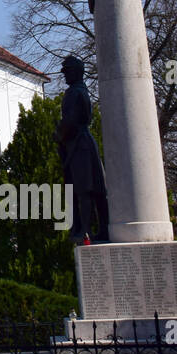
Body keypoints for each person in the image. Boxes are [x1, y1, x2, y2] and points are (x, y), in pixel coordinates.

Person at [57, 55, 109, 244]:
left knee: (84, 189)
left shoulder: (76, 93)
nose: (64, 75)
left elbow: (72, 121)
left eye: (67, 71)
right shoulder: (79, 91)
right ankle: (90, 228)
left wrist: (59, 134)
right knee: (87, 188)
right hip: (80, 143)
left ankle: (85, 229)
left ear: (77, 72)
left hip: (80, 145)